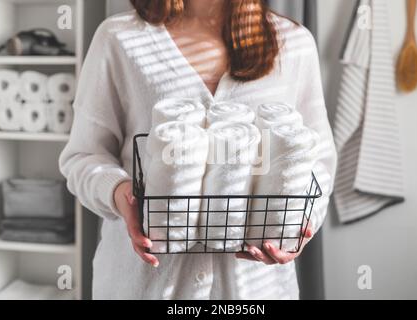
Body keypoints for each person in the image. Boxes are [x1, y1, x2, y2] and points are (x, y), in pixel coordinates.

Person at [59, 0, 337, 300]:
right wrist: (121, 194)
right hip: (143, 287)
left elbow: (318, 160)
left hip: (258, 291)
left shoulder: (293, 43)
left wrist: (297, 226)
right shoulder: (119, 38)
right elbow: (83, 157)